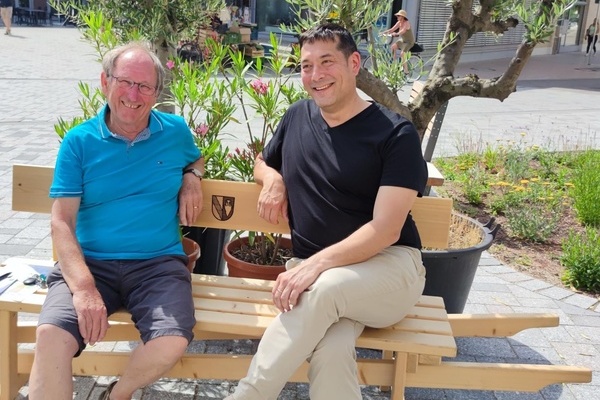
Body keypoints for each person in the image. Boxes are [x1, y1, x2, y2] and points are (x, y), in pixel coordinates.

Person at [225, 23, 427, 400]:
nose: (315, 76)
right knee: (332, 350)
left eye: (327, 62)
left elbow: (385, 230)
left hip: (389, 269)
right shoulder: (298, 116)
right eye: (305, 66)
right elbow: (261, 161)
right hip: (319, 278)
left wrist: (314, 266)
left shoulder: (394, 134)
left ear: (354, 63)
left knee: (325, 289)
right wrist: (273, 180)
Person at [28, 42, 204, 400]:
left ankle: (117, 394)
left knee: (171, 341)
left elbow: (195, 159)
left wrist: (193, 177)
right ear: (105, 81)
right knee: (50, 336)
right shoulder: (79, 142)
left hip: (157, 264)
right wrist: (84, 288)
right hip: (90, 264)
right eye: (125, 82)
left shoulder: (174, 131)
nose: (133, 95)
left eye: (145, 87)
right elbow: (61, 221)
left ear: (156, 93)